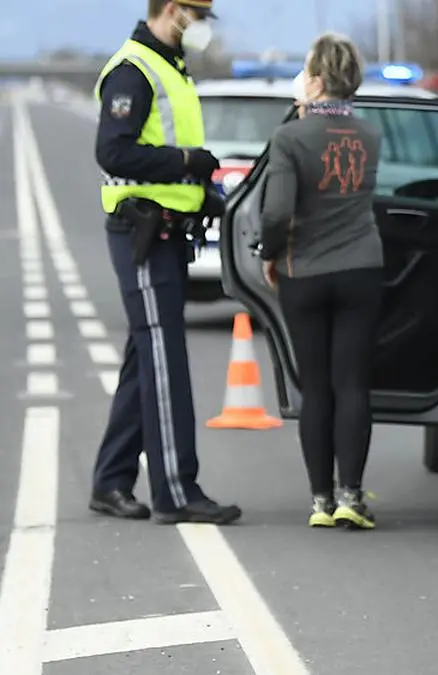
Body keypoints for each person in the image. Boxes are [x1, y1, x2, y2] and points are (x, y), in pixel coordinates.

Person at [89, 0, 241, 525]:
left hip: (168, 229)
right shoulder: (134, 70)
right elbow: (113, 151)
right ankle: (178, 492)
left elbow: (167, 150)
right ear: (173, 9)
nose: (203, 27)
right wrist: (184, 162)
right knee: (165, 359)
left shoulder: (171, 66)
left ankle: (110, 481)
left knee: (144, 357)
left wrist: (204, 191)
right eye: (199, 16)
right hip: (142, 233)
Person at [259, 33, 384, 530]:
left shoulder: (291, 138)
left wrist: (269, 255)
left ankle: (320, 501)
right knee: (353, 384)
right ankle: (352, 495)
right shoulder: (370, 134)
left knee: (316, 388)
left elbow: (275, 212)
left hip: (304, 271)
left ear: (313, 77)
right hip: (361, 267)